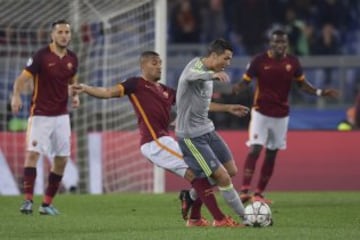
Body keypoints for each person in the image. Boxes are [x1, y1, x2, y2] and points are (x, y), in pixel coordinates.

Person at [72, 51, 248, 227]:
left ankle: (194, 217)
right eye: (154, 63)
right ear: (143, 66)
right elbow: (108, 92)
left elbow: (197, 105)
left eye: (160, 63)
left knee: (203, 172)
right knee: (197, 174)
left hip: (167, 140)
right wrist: (86, 88)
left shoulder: (165, 90)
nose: (159, 66)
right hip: (154, 143)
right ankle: (219, 219)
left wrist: (227, 108)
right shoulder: (135, 84)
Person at [232, 29, 339, 204]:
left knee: (272, 153)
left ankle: (259, 193)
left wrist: (320, 92)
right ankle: (244, 190)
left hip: (281, 115)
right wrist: (236, 88)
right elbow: (246, 80)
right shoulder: (259, 61)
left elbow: (302, 85)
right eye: (277, 42)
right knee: (256, 148)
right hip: (261, 111)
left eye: (283, 42)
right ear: (270, 43)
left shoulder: (293, 62)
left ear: (287, 44)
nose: (280, 45)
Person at [175, 39, 250, 227]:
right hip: (191, 137)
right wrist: (213, 75)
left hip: (207, 129)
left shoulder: (207, 73)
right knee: (222, 177)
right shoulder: (195, 67)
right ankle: (246, 218)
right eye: (226, 58)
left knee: (231, 170)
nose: (228, 63)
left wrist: (228, 108)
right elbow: (190, 77)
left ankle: (191, 195)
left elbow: (203, 104)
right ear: (214, 55)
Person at [11, 19, 80, 215]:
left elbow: (73, 81)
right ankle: (27, 201)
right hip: (40, 115)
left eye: (67, 32)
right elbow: (22, 79)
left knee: (62, 159)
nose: (64, 35)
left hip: (62, 117)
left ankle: (47, 204)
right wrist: (15, 95)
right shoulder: (41, 56)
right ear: (52, 35)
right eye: (60, 32)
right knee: (33, 154)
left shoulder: (72, 58)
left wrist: (75, 97)